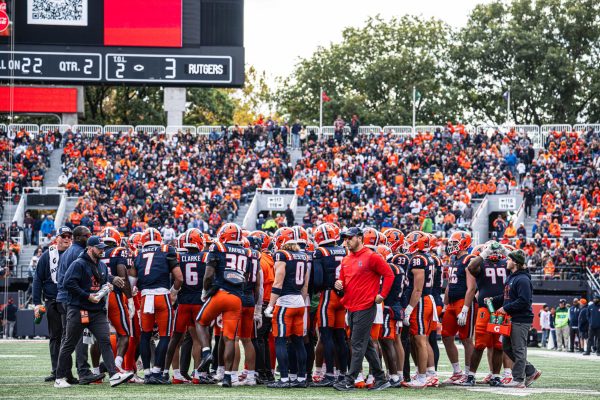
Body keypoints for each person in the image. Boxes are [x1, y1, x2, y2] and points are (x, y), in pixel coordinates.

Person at [54, 236, 133, 388]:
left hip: (97, 311)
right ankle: (59, 377)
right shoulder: (78, 264)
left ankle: (114, 374)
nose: (102, 250)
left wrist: (112, 279)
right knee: (69, 343)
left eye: (103, 247)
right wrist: (87, 295)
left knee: (104, 340)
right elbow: (68, 283)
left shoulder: (101, 265)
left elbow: (101, 276)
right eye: (99, 248)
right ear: (90, 248)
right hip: (79, 309)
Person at [332, 227, 394, 391]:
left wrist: (382, 295)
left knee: (357, 344)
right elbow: (343, 281)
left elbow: (389, 274)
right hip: (351, 305)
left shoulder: (372, 256)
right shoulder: (346, 259)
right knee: (365, 345)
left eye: (349, 238)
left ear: (360, 238)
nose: (346, 241)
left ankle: (350, 379)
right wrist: (339, 284)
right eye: (345, 238)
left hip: (365, 306)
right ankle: (381, 378)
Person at [195, 223, 247, 387]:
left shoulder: (217, 247)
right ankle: (228, 377)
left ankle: (206, 353)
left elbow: (208, 275)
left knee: (200, 322)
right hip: (237, 297)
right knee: (229, 338)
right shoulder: (245, 251)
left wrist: (205, 291)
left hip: (220, 293)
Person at [130, 227, 182, 384]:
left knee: (145, 336)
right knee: (165, 336)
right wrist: (173, 293)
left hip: (146, 297)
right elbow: (179, 278)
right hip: (162, 296)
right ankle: (157, 372)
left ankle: (146, 373)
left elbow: (132, 285)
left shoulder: (138, 255)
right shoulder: (167, 249)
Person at [264, 227, 309, 388]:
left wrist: (270, 305)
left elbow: (278, 282)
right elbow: (305, 285)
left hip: (285, 303)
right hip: (299, 302)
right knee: (298, 342)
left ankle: (283, 379)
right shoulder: (303, 255)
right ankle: (302, 378)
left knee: (280, 340)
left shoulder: (281, 255)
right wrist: (300, 302)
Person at [489, 250, 542, 388]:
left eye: (509, 259)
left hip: (520, 319)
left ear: (516, 262)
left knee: (519, 349)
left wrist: (506, 308)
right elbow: (506, 297)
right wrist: (493, 300)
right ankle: (530, 371)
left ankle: (518, 379)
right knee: (507, 347)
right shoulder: (512, 277)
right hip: (511, 318)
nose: (506, 261)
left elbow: (524, 301)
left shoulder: (523, 279)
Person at [32, 227, 73, 382]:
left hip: (70, 301)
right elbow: (38, 279)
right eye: (64, 236)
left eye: (69, 236)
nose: (67, 238)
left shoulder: (74, 254)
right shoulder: (47, 255)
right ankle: (57, 370)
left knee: (69, 337)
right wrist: (36, 302)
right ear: (57, 238)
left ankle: (69, 372)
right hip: (53, 301)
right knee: (56, 336)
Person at [56, 226, 94, 383]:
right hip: (74, 301)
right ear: (80, 237)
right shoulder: (79, 253)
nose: (90, 238)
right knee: (79, 336)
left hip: (63, 298)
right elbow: (76, 280)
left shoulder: (67, 252)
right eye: (88, 235)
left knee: (68, 338)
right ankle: (83, 371)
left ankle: (66, 373)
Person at [311, 223, 348, 387]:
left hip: (328, 295)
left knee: (326, 337)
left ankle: (330, 374)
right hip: (344, 296)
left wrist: (316, 289)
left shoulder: (321, 252)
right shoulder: (344, 250)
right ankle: (343, 373)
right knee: (341, 337)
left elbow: (318, 279)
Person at [442, 231, 476, 384]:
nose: (452, 246)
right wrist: (445, 304)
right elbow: (450, 283)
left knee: (466, 338)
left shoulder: (469, 259)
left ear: (464, 243)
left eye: (454, 243)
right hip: (452, 302)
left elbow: (471, 288)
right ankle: (457, 371)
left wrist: (466, 309)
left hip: (463, 301)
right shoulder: (454, 259)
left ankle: (469, 374)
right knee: (446, 336)